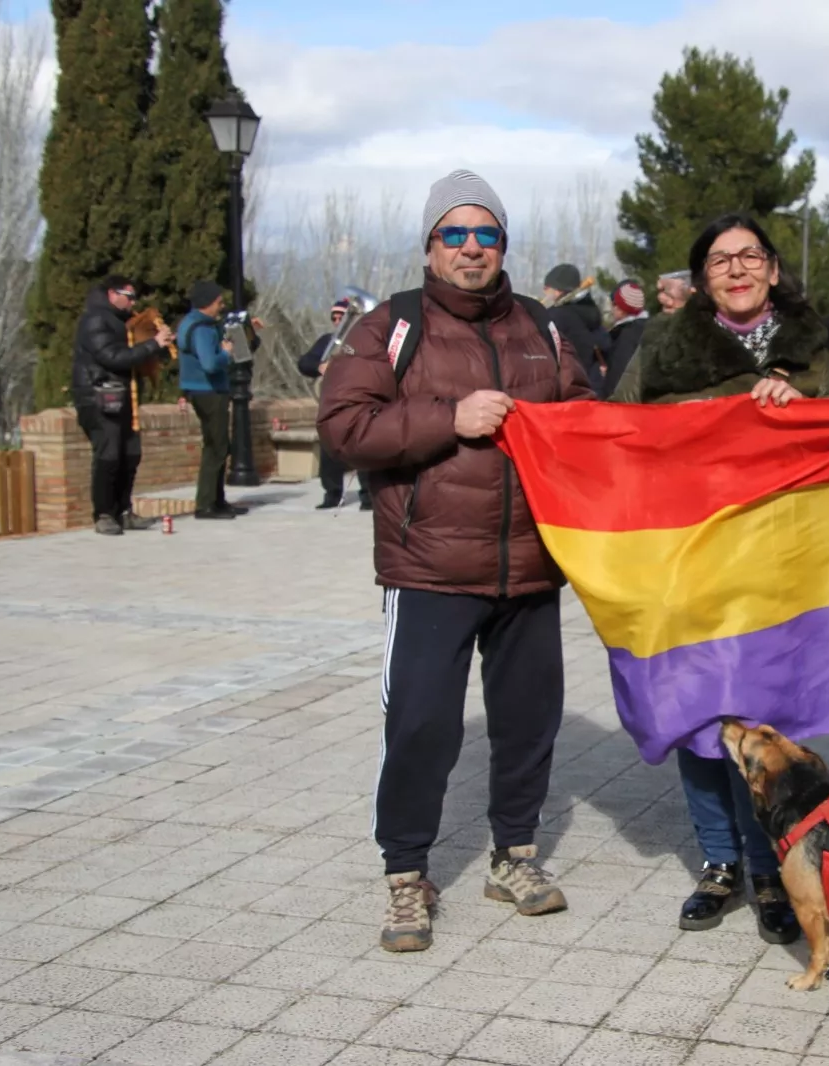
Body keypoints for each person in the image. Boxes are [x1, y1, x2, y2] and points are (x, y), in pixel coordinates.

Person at [317, 169, 595, 954]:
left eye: (487, 234)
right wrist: (452, 417)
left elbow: (588, 419)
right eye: (455, 234)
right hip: (430, 566)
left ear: (504, 244)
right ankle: (407, 873)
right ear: (430, 245)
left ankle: (514, 856)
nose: (471, 248)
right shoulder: (391, 327)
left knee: (528, 723)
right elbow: (343, 426)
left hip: (531, 567)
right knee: (422, 725)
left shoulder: (543, 327)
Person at [611, 213, 829, 943]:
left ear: (774, 269)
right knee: (696, 714)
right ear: (701, 277)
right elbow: (616, 425)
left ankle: (772, 869)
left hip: (779, 562)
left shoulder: (815, 347)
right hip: (691, 555)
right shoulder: (666, 344)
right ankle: (718, 863)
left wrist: (800, 412)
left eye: (750, 256)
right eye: (719, 260)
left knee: (761, 721)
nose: (737, 269)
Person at [70, 275, 171, 536]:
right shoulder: (95, 319)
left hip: (124, 397)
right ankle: (104, 513)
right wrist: (152, 344)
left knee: (131, 453)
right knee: (109, 455)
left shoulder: (122, 321)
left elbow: (133, 355)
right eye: (129, 296)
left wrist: (157, 345)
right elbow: (111, 357)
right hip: (99, 397)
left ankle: (123, 510)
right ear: (111, 294)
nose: (132, 302)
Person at [176, 281, 249, 520]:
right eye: (218, 301)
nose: (222, 305)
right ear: (208, 302)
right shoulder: (202, 328)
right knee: (217, 447)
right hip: (209, 391)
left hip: (201, 391)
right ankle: (206, 505)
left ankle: (217, 501)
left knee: (217, 445)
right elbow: (209, 363)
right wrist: (226, 354)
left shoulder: (192, 323)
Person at [296, 297, 371, 510]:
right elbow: (304, 363)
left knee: (363, 449)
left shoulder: (364, 339)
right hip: (332, 403)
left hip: (359, 401)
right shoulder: (328, 341)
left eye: (343, 317)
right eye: (335, 318)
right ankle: (332, 494)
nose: (338, 321)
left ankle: (368, 496)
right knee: (329, 450)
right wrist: (320, 366)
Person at [542, 263, 609, 393]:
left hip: (566, 389)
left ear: (558, 290)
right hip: (593, 386)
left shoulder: (557, 316)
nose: (545, 292)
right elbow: (605, 344)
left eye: (547, 288)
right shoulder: (591, 313)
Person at [599, 278, 648, 398]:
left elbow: (617, 376)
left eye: (613, 304)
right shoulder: (648, 327)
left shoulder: (626, 336)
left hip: (624, 405)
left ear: (620, 308)